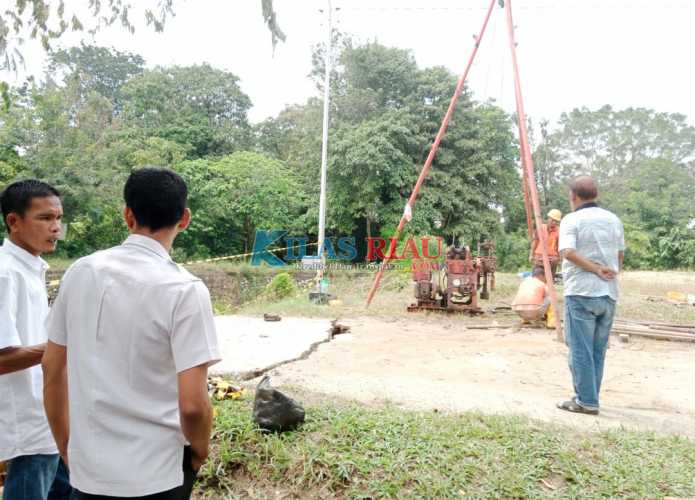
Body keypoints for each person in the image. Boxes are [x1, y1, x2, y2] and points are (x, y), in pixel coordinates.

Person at [42, 168, 221, 499]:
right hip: (157, 473)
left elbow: (52, 368)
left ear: (128, 215)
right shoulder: (185, 290)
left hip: (89, 470)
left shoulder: (80, 272)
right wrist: (199, 451)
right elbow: (194, 405)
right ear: (184, 219)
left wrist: (65, 444)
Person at [0, 180, 74, 499]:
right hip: (27, 421)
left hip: (46, 417)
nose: (55, 227)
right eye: (45, 219)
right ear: (13, 222)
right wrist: (64, 346)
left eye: (58, 218)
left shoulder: (31, 269)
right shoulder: (6, 274)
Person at [556, 175, 624, 416]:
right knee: (597, 349)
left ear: (573, 196)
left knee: (580, 348)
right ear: (596, 195)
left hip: (581, 292)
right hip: (608, 293)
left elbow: (567, 252)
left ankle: (586, 401)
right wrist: (608, 273)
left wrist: (594, 269)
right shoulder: (613, 220)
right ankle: (590, 398)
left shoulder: (572, 220)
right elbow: (619, 256)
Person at [530, 209, 562, 276]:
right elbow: (535, 242)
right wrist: (531, 255)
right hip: (539, 256)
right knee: (536, 275)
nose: (554, 222)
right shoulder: (541, 228)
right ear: (548, 218)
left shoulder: (559, 231)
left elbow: (559, 246)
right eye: (552, 220)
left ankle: (550, 283)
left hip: (552, 257)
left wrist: (559, 259)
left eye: (556, 221)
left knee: (550, 276)